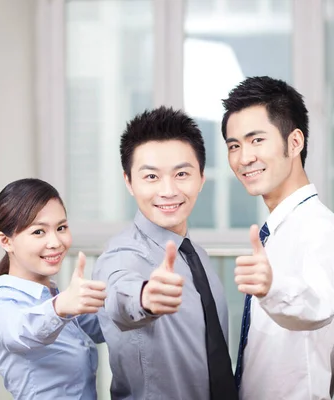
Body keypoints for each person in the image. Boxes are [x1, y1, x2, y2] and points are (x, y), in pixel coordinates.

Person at [92, 106, 238, 400]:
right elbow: (118, 293)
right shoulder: (121, 254)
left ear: (201, 178)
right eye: (151, 177)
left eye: (181, 173)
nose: (168, 190)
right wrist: (145, 297)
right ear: (128, 182)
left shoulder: (196, 255)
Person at [221, 76, 334, 400]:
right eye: (234, 145)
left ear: (294, 143)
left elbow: (318, 304)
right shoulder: (280, 228)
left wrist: (272, 287)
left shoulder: (319, 227)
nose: (243, 158)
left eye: (256, 140)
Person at [0, 178, 107, 400]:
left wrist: (144, 301)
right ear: (5, 241)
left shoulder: (54, 298)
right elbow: (23, 333)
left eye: (61, 228)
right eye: (39, 232)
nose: (56, 242)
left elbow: (104, 325)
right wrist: (60, 308)